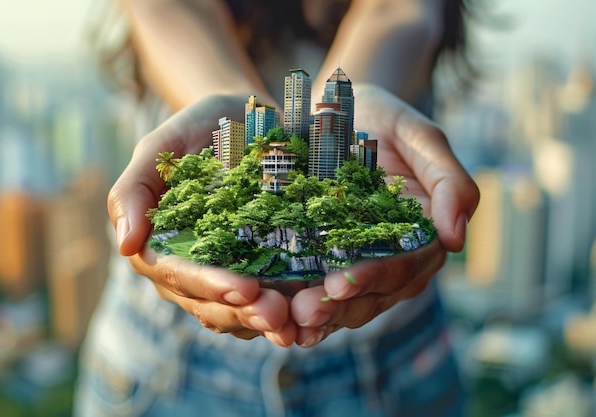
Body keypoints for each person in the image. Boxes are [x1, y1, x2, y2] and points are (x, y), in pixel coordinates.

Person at [75, 0, 480, 416]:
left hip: (395, 364)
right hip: (159, 362)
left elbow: (398, 8)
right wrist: (233, 111)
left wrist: (339, 116)